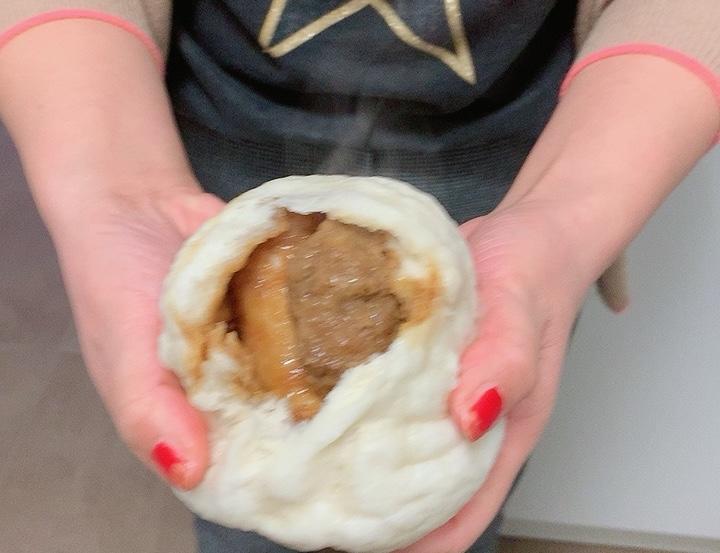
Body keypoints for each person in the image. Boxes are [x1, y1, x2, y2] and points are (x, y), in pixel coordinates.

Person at [0, 2, 718, 552]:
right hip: (204, 180)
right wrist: (119, 185)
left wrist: (560, 218)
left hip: (521, 194)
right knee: (249, 518)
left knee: (451, 490)